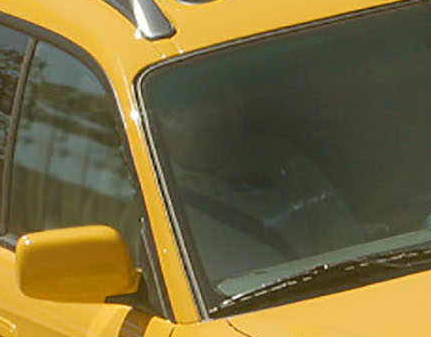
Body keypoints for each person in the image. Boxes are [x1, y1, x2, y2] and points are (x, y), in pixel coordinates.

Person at [153, 89, 362, 282]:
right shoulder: (144, 189)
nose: (219, 110)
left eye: (228, 96)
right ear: (163, 115)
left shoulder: (282, 162)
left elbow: (348, 249)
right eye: (198, 100)